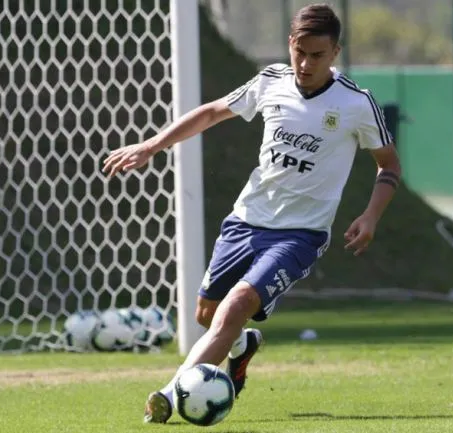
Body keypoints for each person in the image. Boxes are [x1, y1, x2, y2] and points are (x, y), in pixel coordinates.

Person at [102, 3, 401, 424]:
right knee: (207, 315)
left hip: (299, 235)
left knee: (234, 306)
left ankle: (170, 395)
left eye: (317, 55)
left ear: (335, 52)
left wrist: (370, 215)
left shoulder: (356, 103)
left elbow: (388, 164)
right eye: (299, 52)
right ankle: (241, 347)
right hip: (245, 220)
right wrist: (152, 146)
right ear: (290, 45)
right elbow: (211, 112)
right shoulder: (271, 81)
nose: (305, 63)